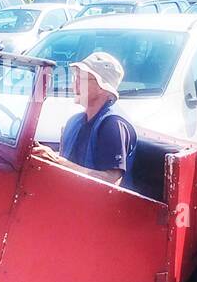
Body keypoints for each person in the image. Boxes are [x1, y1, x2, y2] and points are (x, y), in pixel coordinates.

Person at [31, 51, 136, 186]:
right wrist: (43, 155)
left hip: (101, 205)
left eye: (82, 79)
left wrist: (56, 161)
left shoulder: (113, 125)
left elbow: (111, 181)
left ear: (101, 87)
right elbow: (69, 162)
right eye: (76, 78)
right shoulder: (74, 121)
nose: (75, 85)